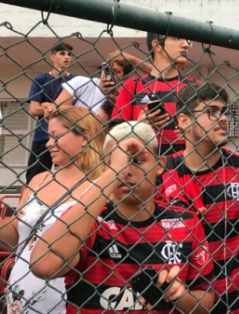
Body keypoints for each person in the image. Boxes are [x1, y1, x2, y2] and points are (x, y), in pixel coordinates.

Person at [29, 121, 215, 313]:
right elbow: (44, 266)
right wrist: (112, 173)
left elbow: (206, 301)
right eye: (116, 163)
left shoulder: (185, 222)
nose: (125, 171)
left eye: (136, 161)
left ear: (160, 166)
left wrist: (177, 295)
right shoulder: (88, 220)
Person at [158, 83, 239, 314]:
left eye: (224, 111)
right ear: (184, 121)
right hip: (185, 301)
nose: (222, 119)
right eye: (211, 111)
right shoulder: (160, 174)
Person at [0, 106, 104, 313]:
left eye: (56, 136)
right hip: (19, 296)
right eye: (48, 137)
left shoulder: (100, 187)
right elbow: (15, 240)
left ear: (84, 137)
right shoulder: (38, 181)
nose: (49, 144)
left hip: (67, 299)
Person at [111, 33, 200, 155]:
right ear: (157, 45)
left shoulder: (196, 87)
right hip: (144, 165)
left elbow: (211, 132)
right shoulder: (133, 86)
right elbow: (112, 137)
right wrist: (139, 126)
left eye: (187, 39)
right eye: (177, 37)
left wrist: (194, 132)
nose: (186, 45)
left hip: (186, 169)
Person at [25, 42, 76, 183]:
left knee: (67, 177)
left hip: (67, 134)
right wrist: (60, 108)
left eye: (69, 54)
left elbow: (75, 109)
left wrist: (48, 106)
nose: (67, 57)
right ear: (53, 57)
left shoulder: (75, 81)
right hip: (43, 135)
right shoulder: (41, 79)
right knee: (35, 177)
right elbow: (34, 109)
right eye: (62, 54)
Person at [53, 50, 150, 113]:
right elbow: (56, 110)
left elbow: (158, 75)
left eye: (115, 71)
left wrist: (133, 59)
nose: (109, 74)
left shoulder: (124, 95)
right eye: (107, 69)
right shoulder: (82, 82)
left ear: (123, 78)